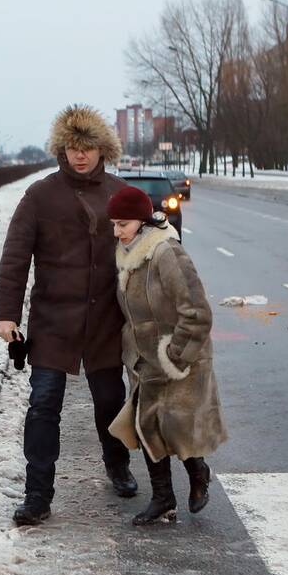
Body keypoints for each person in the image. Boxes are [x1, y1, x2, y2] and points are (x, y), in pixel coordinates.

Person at [0, 104, 136, 526]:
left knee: (110, 401)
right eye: (72, 147)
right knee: (42, 406)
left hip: (106, 321)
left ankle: (118, 465)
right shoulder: (40, 195)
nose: (80, 155)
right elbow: (16, 255)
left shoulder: (118, 193)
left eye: (88, 147)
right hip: (53, 322)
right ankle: (37, 495)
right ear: (62, 149)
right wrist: (7, 314)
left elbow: (144, 254)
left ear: (101, 150)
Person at [106, 186, 228, 525]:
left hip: (178, 360)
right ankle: (163, 498)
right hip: (145, 361)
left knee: (176, 428)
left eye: (123, 224)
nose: (116, 232)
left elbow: (198, 312)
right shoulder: (128, 254)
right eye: (114, 225)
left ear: (143, 224)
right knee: (147, 427)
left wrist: (174, 357)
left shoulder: (166, 253)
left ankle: (198, 472)